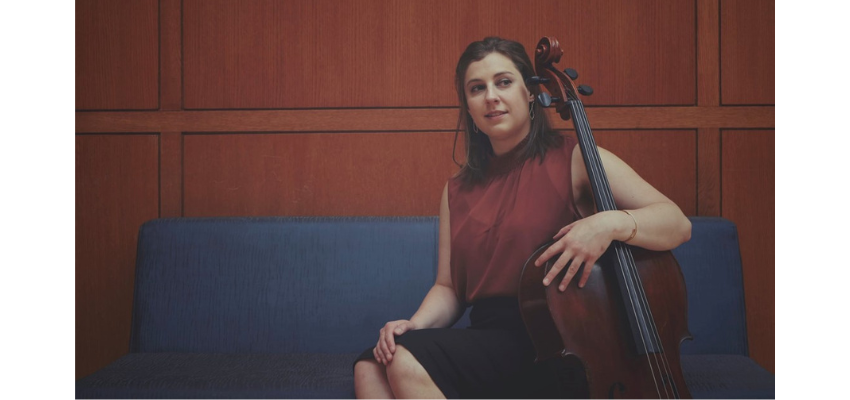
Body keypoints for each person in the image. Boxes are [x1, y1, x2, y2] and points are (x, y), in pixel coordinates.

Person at [352, 36, 692, 399]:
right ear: (467, 105)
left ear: (530, 93)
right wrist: (414, 325)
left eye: (503, 82)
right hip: (490, 340)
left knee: (403, 361)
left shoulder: (575, 159)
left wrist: (608, 224)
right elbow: (449, 288)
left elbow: (676, 223)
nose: (491, 97)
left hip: (560, 340)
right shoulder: (456, 189)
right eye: (477, 88)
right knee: (371, 365)